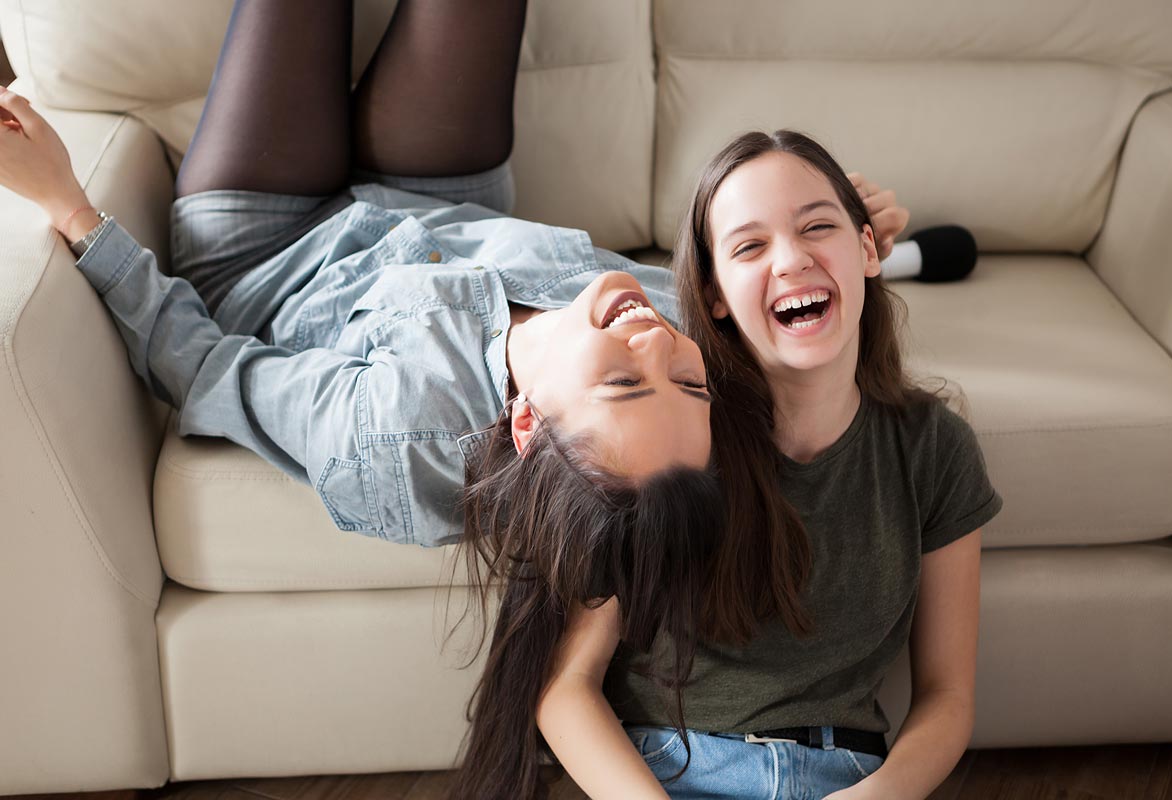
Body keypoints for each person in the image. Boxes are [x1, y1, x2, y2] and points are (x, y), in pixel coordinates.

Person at [0, 3, 724, 797]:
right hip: (438, 198)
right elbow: (757, 292)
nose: (655, 342)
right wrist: (853, 245)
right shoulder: (664, 318)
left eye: (623, 381)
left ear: (527, 421)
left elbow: (206, 366)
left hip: (268, 244)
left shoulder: (393, 439)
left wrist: (71, 207)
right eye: (690, 382)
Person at [538, 131, 1001, 800]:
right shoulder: (668, 433)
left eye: (818, 226)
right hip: (664, 770)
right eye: (750, 246)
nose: (790, 259)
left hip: (846, 775)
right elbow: (564, 687)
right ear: (714, 293)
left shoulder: (934, 447)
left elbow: (948, 695)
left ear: (867, 249)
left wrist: (879, 795)